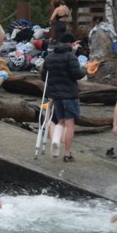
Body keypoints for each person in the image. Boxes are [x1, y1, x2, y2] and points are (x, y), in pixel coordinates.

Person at [42, 33, 86, 162]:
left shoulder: (49, 57)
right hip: (69, 95)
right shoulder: (70, 57)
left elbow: (44, 77)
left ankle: (55, 142)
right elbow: (77, 75)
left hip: (56, 95)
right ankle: (67, 154)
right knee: (69, 123)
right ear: (70, 44)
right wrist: (84, 69)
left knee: (60, 121)